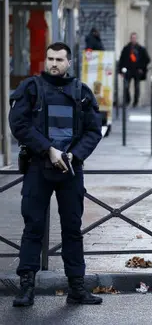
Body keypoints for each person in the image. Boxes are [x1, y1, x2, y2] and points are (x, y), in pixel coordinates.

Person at [9, 42, 103, 307]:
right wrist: (48, 150)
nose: (53, 63)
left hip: (70, 170)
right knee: (33, 228)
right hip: (39, 167)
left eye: (59, 59)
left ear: (68, 63)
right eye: (50, 58)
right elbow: (18, 123)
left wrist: (74, 155)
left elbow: (93, 130)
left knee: (72, 229)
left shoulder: (81, 92)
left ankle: (77, 288)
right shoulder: (32, 88)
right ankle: (26, 288)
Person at [118, 32, 150, 107]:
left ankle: (135, 102)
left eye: (135, 38)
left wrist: (141, 68)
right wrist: (121, 70)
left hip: (137, 71)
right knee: (126, 86)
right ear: (130, 39)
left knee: (137, 87)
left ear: (136, 39)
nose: (133, 39)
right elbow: (121, 60)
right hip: (128, 70)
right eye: (132, 38)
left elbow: (147, 59)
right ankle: (127, 100)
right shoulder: (126, 48)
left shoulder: (141, 49)